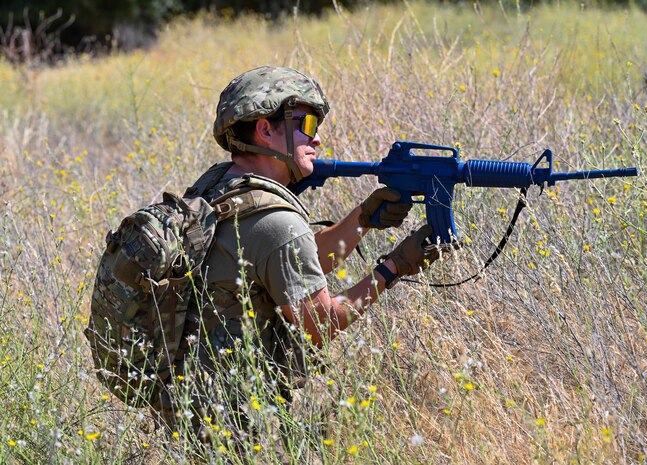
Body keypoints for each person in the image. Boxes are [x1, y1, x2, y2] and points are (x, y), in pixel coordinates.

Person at [153, 66, 445, 452]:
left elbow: (285, 268)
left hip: (189, 401)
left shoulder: (219, 184)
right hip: (237, 419)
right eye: (306, 123)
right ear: (265, 129)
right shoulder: (275, 223)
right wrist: (393, 268)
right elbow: (320, 324)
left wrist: (362, 220)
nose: (318, 138)